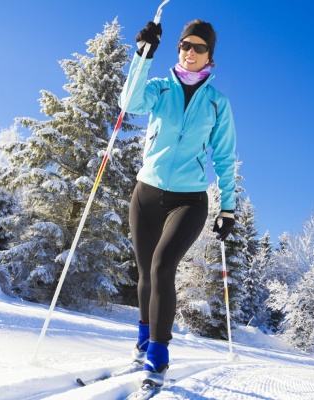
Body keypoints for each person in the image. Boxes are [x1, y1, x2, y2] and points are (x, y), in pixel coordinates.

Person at [119, 19, 237, 386]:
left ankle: (158, 358)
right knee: (145, 274)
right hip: (147, 193)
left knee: (162, 267)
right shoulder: (160, 88)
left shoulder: (217, 103)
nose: (191, 52)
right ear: (179, 48)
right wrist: (142, 55)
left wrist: (228, 207)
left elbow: (224, 157)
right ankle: (143, 342)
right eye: (186, 45)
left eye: (200, 47)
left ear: (209, 56)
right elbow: (129, 102)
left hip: (188, 200)